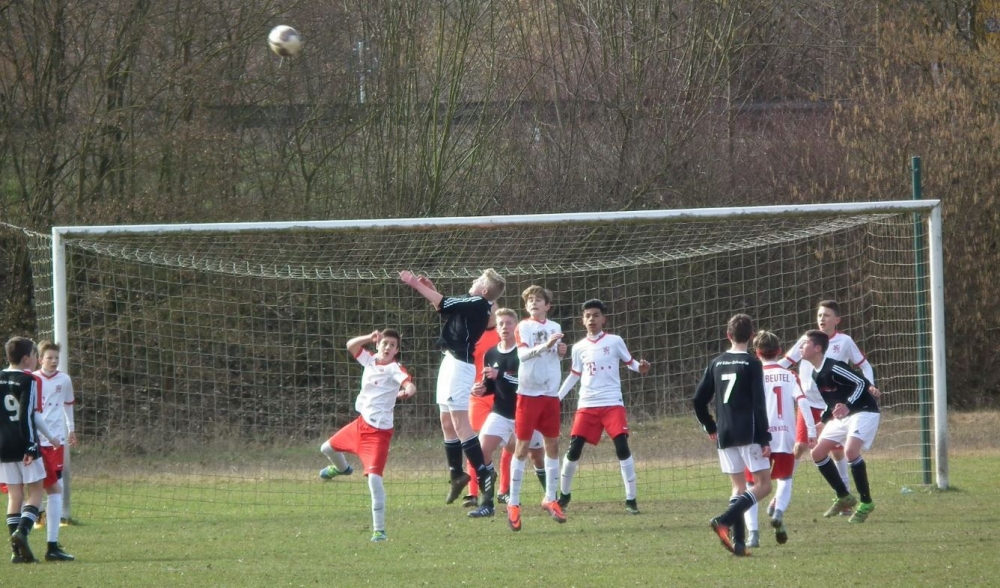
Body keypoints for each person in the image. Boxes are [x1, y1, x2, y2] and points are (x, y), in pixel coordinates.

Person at [399, 269, 506, 506]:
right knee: (446, 421)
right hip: (449, 360)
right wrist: (432, 289)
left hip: (460, 365)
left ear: (484, 290)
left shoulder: (478, 303)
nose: (473, 281)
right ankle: (457, 474)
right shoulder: (472, 302)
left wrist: (416, 284)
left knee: (460, 423)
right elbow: (443, 307)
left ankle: (484, 472)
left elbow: (444, 302)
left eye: (479, 280)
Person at [318, 329, 417, 542]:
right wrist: (368, 338)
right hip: (360, 425)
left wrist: (407, 391)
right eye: (385, 343)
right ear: (378, 345)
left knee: (374, 479)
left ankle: (379, 531)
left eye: (392, 345)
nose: (388, 347)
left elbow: (409, 384)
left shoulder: (394, 368)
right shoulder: (370, 360)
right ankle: (342, 469)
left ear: (396, 350)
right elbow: (350, 345)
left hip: (378, 434)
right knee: (326, 448)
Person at [556, 299, 651, 515]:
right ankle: (564, 495)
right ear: (582, 320)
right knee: (574, 449)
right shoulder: (578, 347)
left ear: (603, 319)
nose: (592, 319)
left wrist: (642, 368)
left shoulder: (615, 341)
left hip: (612, 403)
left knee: (622, 447)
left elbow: (631, 363)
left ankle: (631, 499)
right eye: (588, 316)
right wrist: (557, 397)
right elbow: (575, 375)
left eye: (596, 315)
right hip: (587, 403)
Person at [779, 300, 876, 502]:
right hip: (807, 403)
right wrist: (766, 372)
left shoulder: (845, 341)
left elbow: (864, 366)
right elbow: (786, 362)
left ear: (837, 320)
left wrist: (870, 386)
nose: (822, 318)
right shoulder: (808, 340)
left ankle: (844, 495)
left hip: (833, 405)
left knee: (837, 452)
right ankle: (781, 495)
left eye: (826, 315)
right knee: (800, 446)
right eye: (819, 315)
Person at [692, 314, 772, 557]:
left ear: (728, 335)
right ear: (752, 336)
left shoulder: (716, 363)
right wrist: (764, 437)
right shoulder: (752, 363)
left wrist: (710, 426)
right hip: (748, 431)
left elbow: (697, 400)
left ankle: (738, 543)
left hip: (724, 433)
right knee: (764, 485)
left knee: (739, 487)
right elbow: (759, 403)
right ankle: (724, 520)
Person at [467, 308, 545, 518]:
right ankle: (487, 504)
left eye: (509, 323)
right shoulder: (490, 354)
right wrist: (480, 389)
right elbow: (491, 385)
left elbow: (525, 382)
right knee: (481, 452)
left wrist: (500, 374)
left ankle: (551, 497)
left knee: (537, 457)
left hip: (525, 412)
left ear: (516, 327)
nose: (504, 327)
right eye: (501, 323)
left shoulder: (525, 353)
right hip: (500, 412)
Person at [742, 331, 816, 548]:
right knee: (785, 479)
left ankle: (753, 534)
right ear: (780, 351)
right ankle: (778, 513)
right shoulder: (789, 375)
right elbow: (803, 402)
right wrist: (811, 431)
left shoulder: (751, 375)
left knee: (751, 484)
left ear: (757, 353)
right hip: (784, 436)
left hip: (757, 437)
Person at [800, 330, 880, 523]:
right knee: (817, 453)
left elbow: (861, 383)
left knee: (850, 451)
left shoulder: (835, 367)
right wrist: (824, 420)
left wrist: (848, 406)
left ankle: (866, 502)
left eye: (805, 343)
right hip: (844, 415)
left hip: (863, 411)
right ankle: (844, 496)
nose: (801, 347)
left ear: (817, 348)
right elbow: (831, 401)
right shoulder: (815, 373)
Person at [506, 285, 566, 531]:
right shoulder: (523, 327)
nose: (533, 302)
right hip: (528, 394)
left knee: (553, 444)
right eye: (530, 300)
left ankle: (550, 498)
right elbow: (522, 356)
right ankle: (513, 503)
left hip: (550, 393)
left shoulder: (555, 327)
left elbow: (555, 356)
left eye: (538, 299)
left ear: (547, 306)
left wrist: (561, 351)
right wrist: (546, 345)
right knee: (521, 448)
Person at [1, 337, 59, 564]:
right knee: (35, 493)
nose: (36, 359)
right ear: (27, 358)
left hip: (3, 446)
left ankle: (16, 553)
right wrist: (32, 444)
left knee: (14, 496)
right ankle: (22, 532)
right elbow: (28, 414)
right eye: (35, 355)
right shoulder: (28, 380)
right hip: (24, 445)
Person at [30, 341, 75, 561]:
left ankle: (52, 523)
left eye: (56, 358)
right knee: (37, 483)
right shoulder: (32, 379)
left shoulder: (64, 380)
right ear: (40, 359)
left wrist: (71, 429)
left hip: (56, 440)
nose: (54, 361)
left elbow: (68, 405)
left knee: (56, 483)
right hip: (36, 439)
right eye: (49, 357)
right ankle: (39, 516)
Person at [461, 316, 500, 508]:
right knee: (474, 442)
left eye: (492, 304)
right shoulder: (470, 333)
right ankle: (473, 493)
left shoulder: (509, 330)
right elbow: (462, 368)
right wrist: (469, 388)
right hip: (479, 396)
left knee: (512, 444)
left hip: (505, 396)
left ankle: (504, 491)